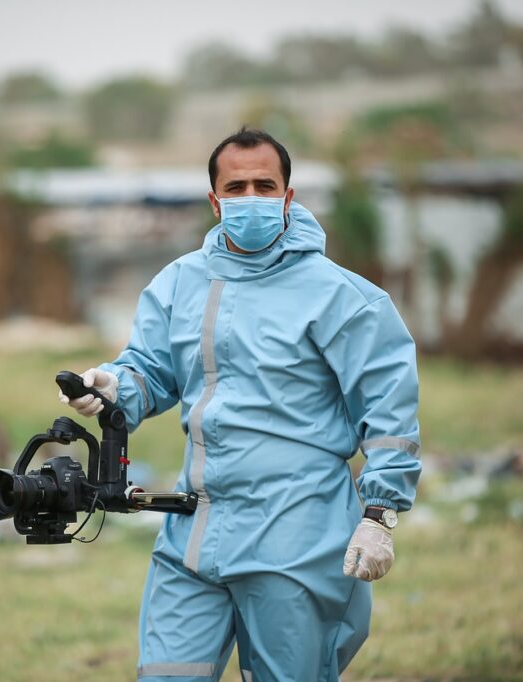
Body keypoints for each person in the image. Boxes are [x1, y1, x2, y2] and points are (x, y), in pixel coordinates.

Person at [59, 128, 421, 682]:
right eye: (237, 186)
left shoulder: (342, 298)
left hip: (295, 535)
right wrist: (112, 388)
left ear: (288, 196)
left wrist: (380, 512)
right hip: (194, 530)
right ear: (214, 200)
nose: (251, 198)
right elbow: (150, 373)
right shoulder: (178, 284)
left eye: (264, 185)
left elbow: (389, 409)